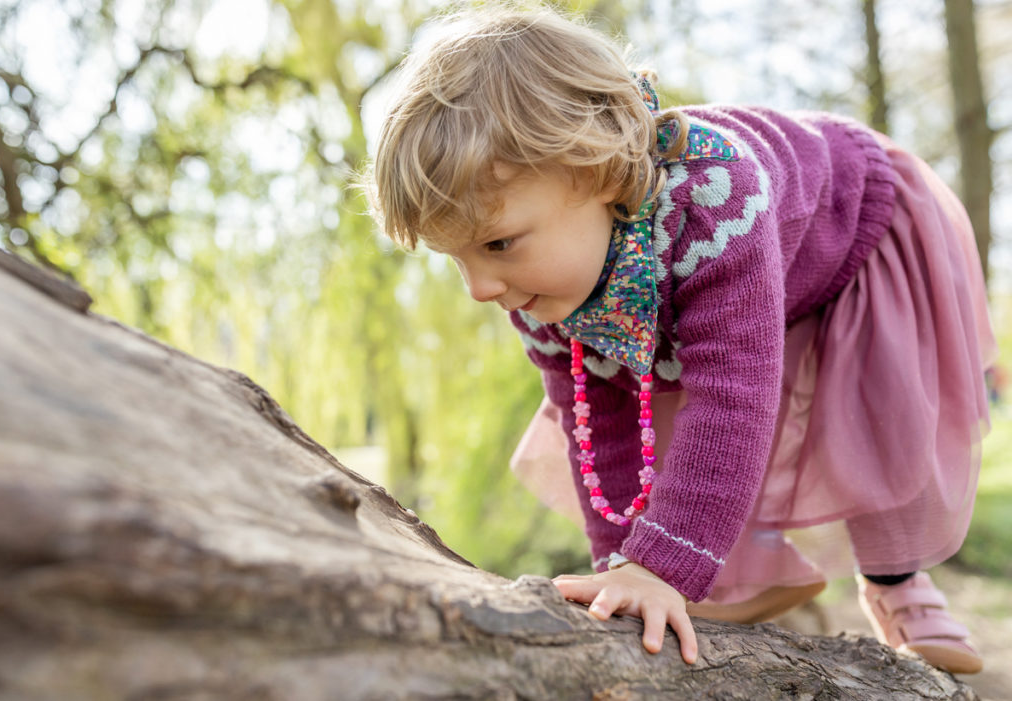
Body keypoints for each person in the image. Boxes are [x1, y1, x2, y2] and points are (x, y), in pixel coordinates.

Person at [365, 7, 996, 674]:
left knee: (874, 413)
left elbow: (731, 398)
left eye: (496, 243)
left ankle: (899, 584)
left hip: (857, 228)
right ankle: (755, 570)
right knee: (650, 417)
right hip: (739, 279)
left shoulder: (719, 207)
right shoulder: (533, 290)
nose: (480, 287)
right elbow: (598, 432)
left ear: (598, 176)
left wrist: (664, 562)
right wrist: (623, 568)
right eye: (457, 258)